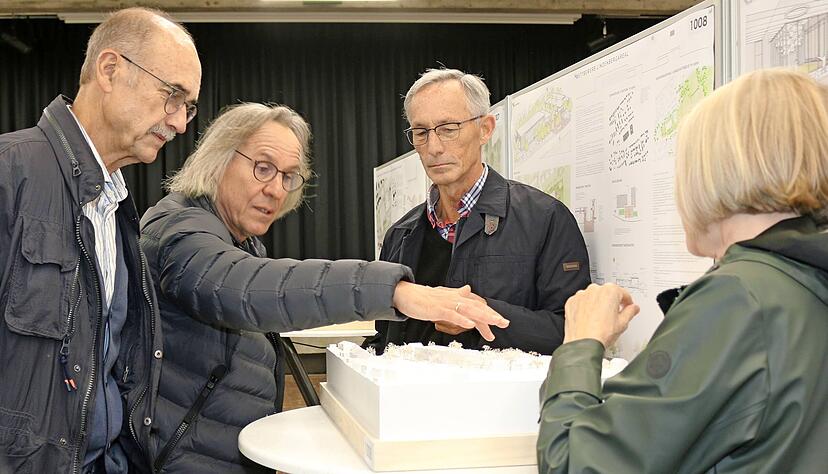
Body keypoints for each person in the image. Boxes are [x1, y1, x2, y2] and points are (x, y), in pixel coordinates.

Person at [139, 102, 509, 473]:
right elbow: (240, 286)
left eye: (288, 176)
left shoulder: (241, 239)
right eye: (263, 168)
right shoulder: (179, 228)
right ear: (217, 159)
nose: (276, 190)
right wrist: (396, 291)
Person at [537, 69, 828, 473]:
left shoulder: (736, 302)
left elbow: (577, 465)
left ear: (716, 171)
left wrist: (580, 345)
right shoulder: (805, 280)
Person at [0, 7, 201, 474]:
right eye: (173, 96)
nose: (180, 122)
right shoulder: (10, 174)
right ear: (110, 70)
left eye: (188, 106)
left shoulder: (117, 208)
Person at [365, 68, 590, 355]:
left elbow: (575, 331)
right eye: (421, 133)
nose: (433, 147)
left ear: (485, 129)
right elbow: (383, 336)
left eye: (448, 129)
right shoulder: (401, 233)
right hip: (412, 396)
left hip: (501, 398)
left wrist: (483, 313)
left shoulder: (545, 219)